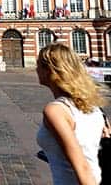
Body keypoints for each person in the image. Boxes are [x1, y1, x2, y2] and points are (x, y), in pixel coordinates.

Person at [36, 43, 107, 185]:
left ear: (51, 70)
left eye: (39, 65)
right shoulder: (94, 107)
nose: (36, 69)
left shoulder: (56, 110)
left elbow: (82, 167)